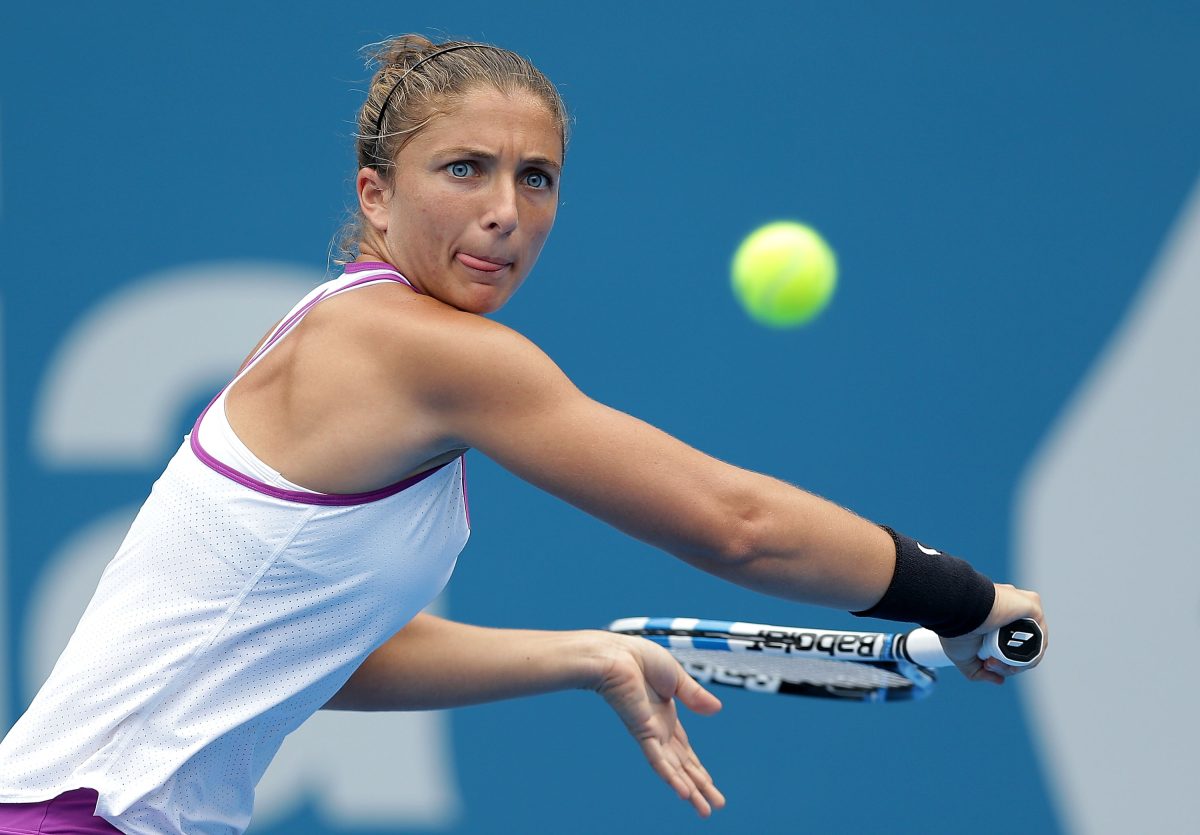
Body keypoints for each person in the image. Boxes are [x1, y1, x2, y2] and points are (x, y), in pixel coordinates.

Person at [0, 35, 1045, 834]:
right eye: (464, 170)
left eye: (535, 177)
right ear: (376, 194)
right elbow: (737, 525)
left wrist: (584, 656)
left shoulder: (352, 334)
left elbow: (310, 649)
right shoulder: (422, 349)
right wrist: (967, 598)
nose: (506, 209)